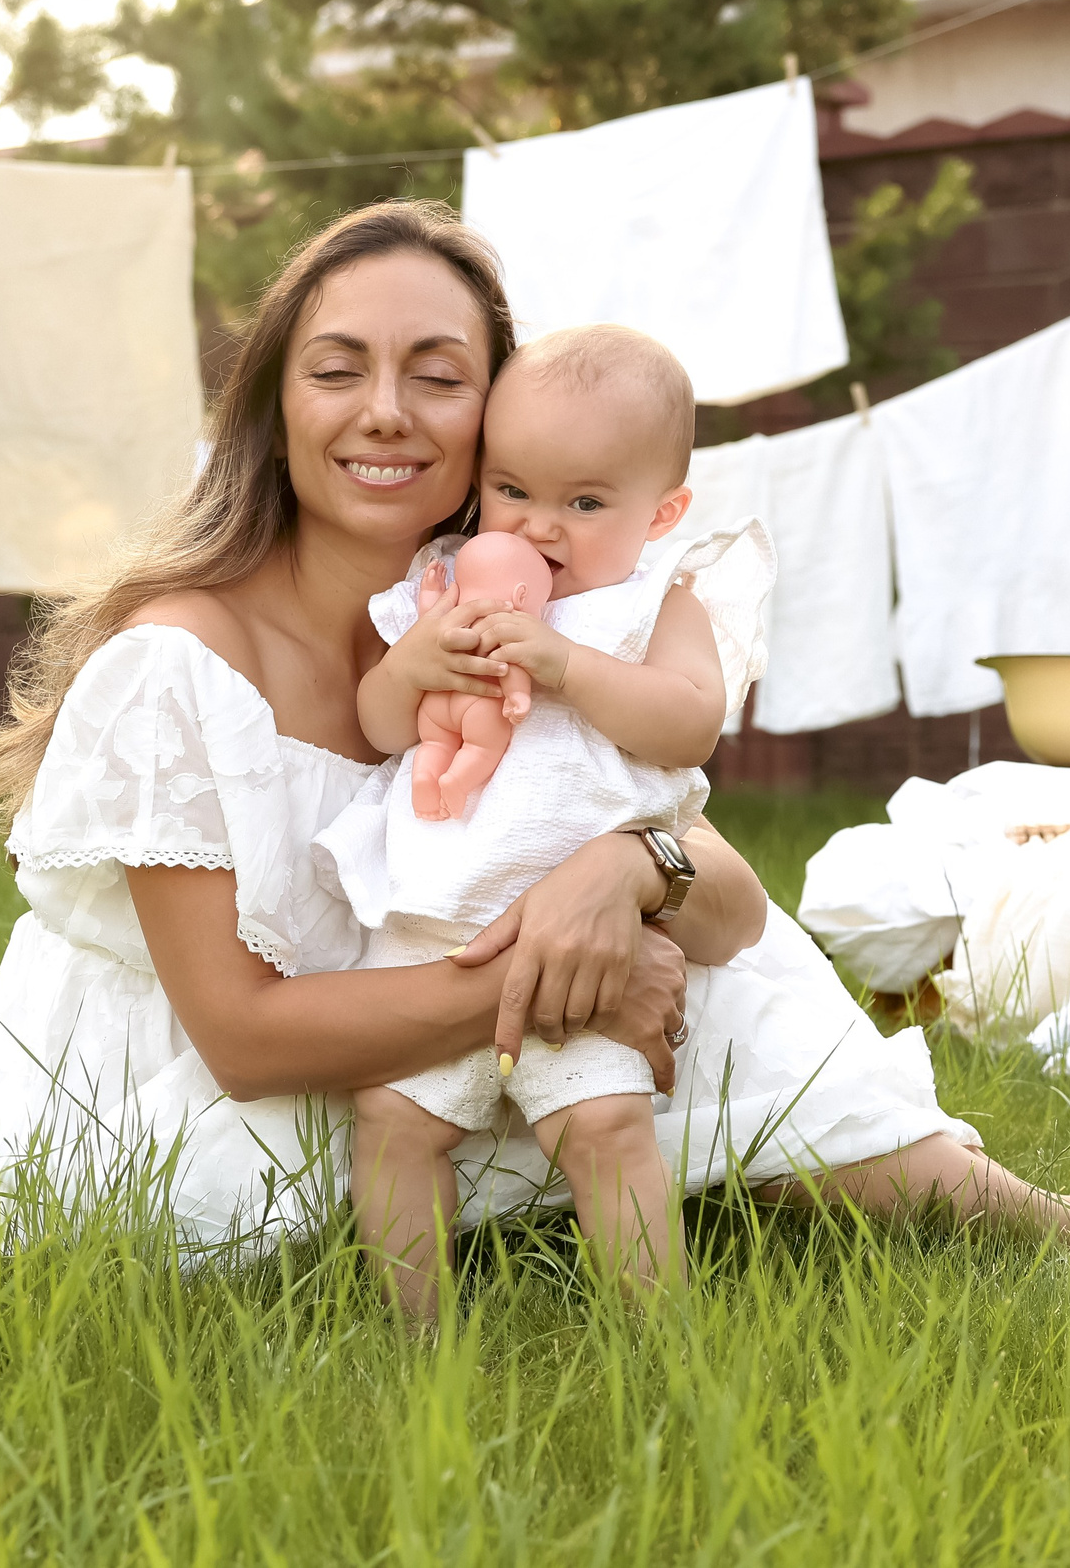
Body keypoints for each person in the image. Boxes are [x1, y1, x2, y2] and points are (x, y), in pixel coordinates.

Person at [0, 198, 1070, 1286]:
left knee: (713, 973)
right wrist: (584, 980)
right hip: (207, 1097)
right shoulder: (185, 658)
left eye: (439, 374)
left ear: (498, 419)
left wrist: (623, 876)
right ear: (273, 403)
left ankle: (1036, 1220)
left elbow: (735, 909)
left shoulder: (527, 616)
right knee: (606, 1005)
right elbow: (241, 1034)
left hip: (425, 1018)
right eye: (337, 366)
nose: (387, 411)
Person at [326, 323, 768, 1314]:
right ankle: (414, 1343)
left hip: (586, 945)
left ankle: (661, 1336)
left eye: (584, 502)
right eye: (514, 490)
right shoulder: (447, 586)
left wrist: (566, 666)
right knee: (392, 1122)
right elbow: (378, 722)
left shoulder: (655, 601)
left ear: (662, 512)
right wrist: (414, 667)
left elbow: (689, 722)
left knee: (605, 1131)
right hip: (432, 924)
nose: (538, 528)